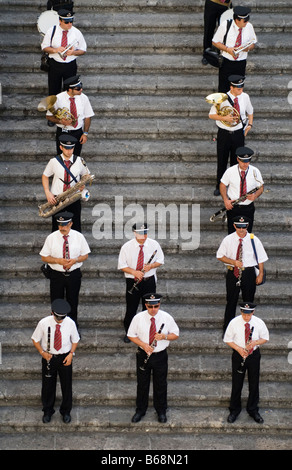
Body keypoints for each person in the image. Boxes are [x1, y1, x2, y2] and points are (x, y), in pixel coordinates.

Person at [127, 293, 179, 423]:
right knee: (142, 384)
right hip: (144, 353)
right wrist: (143, 345)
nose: (153, 309)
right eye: (150, 307)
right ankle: (140, 410)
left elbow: (176, 334)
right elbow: (131, 335)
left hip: (160, 355)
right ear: (146, 305)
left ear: (159, 305)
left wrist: (164, 337)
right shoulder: (138, 318)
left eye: (156, 306)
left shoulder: (166, 317)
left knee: (160, 384)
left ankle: (161, 411)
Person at [31, 298, 80, 424]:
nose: (60, 320)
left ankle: (66, 411)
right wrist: (42, 352)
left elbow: (75, 340)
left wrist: (71, 354)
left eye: (62, 318)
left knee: (66, 385)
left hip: (65, 356)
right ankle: (47, 411)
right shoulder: (43, 323)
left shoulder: (70, 323)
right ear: (52, 313)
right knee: (47, 386)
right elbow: (35, 339)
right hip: (49, 357)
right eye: (58, 317)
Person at [216, 215, 268, 332]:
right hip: (233, 272)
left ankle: (247, 327)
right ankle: (228, 328)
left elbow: (261, 258)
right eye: (238, 227)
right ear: (234, 226)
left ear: (247, 226)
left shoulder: (253, 239)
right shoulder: (228, 239)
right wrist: (233, 262)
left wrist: (260, 274)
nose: (241, 230)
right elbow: (220, 256)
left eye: (243, 227)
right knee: (231, 301)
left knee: (248, 301)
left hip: (248, 273)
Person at [40, 211, 91, 328]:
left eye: (65, 225)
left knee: (73, 301)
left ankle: (72, 327)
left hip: (73, 274)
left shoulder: (79, 237)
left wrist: (75, 260)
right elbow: (44, 257)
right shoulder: (51, 238)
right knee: (56, 301)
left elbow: (85, 255)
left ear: (71, 224)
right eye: (60, 225)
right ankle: (55, 327)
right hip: (57, 275)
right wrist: (58, 261)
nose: (62, 228)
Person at [118, 223, 164, 343]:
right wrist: (134, 272)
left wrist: (151, 265)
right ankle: (129, 333)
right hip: (133, 280)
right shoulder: (126, 247)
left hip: (149, 281)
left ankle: (146, 333)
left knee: (148, 308)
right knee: (131, 308)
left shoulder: (154, 244)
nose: (143, 235)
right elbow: (122, 265)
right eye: (140, 233)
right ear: (134, 233)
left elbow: (160, 260)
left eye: (145, 232)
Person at [223, 302, 269, 424]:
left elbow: (265, 338)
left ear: (253, 312)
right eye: (244, 314)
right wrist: (239, 349)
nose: (246, 317)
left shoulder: (259, 322)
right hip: (239, 355)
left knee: (254, 383)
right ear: (241, 312)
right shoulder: (234, 322)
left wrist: (254, 343)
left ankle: (253, 409)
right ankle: (234, 410)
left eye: (249, 315)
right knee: (237, 383)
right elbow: (227, 339)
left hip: (253, 355)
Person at [209, 75, 254, 196]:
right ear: (231, 87)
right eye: (238, 89)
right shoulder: (222, 99)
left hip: (238, 133)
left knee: (236, 161)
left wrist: (249, 125)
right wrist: (224, 117)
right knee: (222, 160)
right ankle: (220, 185)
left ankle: (234, 186)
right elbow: (211, 115)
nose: (241, 91)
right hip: (224, 133)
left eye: (242, 88)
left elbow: (250, 111)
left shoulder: (245, 97)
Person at [42, 133, 91, 232]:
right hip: (57, 198)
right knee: (57, 228)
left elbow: (87, 175)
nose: (69, 151)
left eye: (71, 148)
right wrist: (47, 192)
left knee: (75, 227)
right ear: (61, 147)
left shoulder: (79, 161)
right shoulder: (53, 161)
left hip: (73, 198)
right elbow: (45, 176)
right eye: (66, 148)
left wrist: (83, 183)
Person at [41, 9, 86, 99]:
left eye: (71, 22)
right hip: (55, 64)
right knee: (53, 90)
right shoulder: (52, 31)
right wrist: (55, 50)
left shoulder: (76, 32)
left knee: (70, 90)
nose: (69, 24)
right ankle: (54, 110)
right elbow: (44, 47)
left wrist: (73, 52)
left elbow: (83, 50)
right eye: (66, 22)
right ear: (60, 21)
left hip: (70, 65)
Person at [46, 75, 94, 156]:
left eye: (81, 86)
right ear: (70, 89)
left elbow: (88, 117)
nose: (81, 90)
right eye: (78, 88)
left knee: (76, 157)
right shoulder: (58, 98)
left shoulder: (84, 98)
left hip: (78, 132)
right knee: (62, 157)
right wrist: (60, 121)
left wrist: (85, 133)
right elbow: (48, 116)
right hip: (63, 132)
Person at [212, 6, 257, 92]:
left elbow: (253, 43)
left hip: (241, 63)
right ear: (237, 20)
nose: (246, 23)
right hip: (226, 62)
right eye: (245, 21)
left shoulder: (249, 26)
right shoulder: (226, 25)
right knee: (224, 89)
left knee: (238, 89)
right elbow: (215, 42)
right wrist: (227, 49)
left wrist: (247, 48)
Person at [220, 146, 264, 233]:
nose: (245, 164)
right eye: (243, 161)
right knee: (232, 234)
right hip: (233, 207)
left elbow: (261, 187)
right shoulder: (230, 171)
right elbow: (222, 185)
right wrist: (225, 200)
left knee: (247, 234)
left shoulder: (255, 171)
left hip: (248, 208)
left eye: (248, 161)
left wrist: (255, 196)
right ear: (237, 159)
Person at [202, 0, 232, 65]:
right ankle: (207, 53)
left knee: (223, 30)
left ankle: (221, 52)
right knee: (208, 28)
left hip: (225, 5)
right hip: (212, 3)